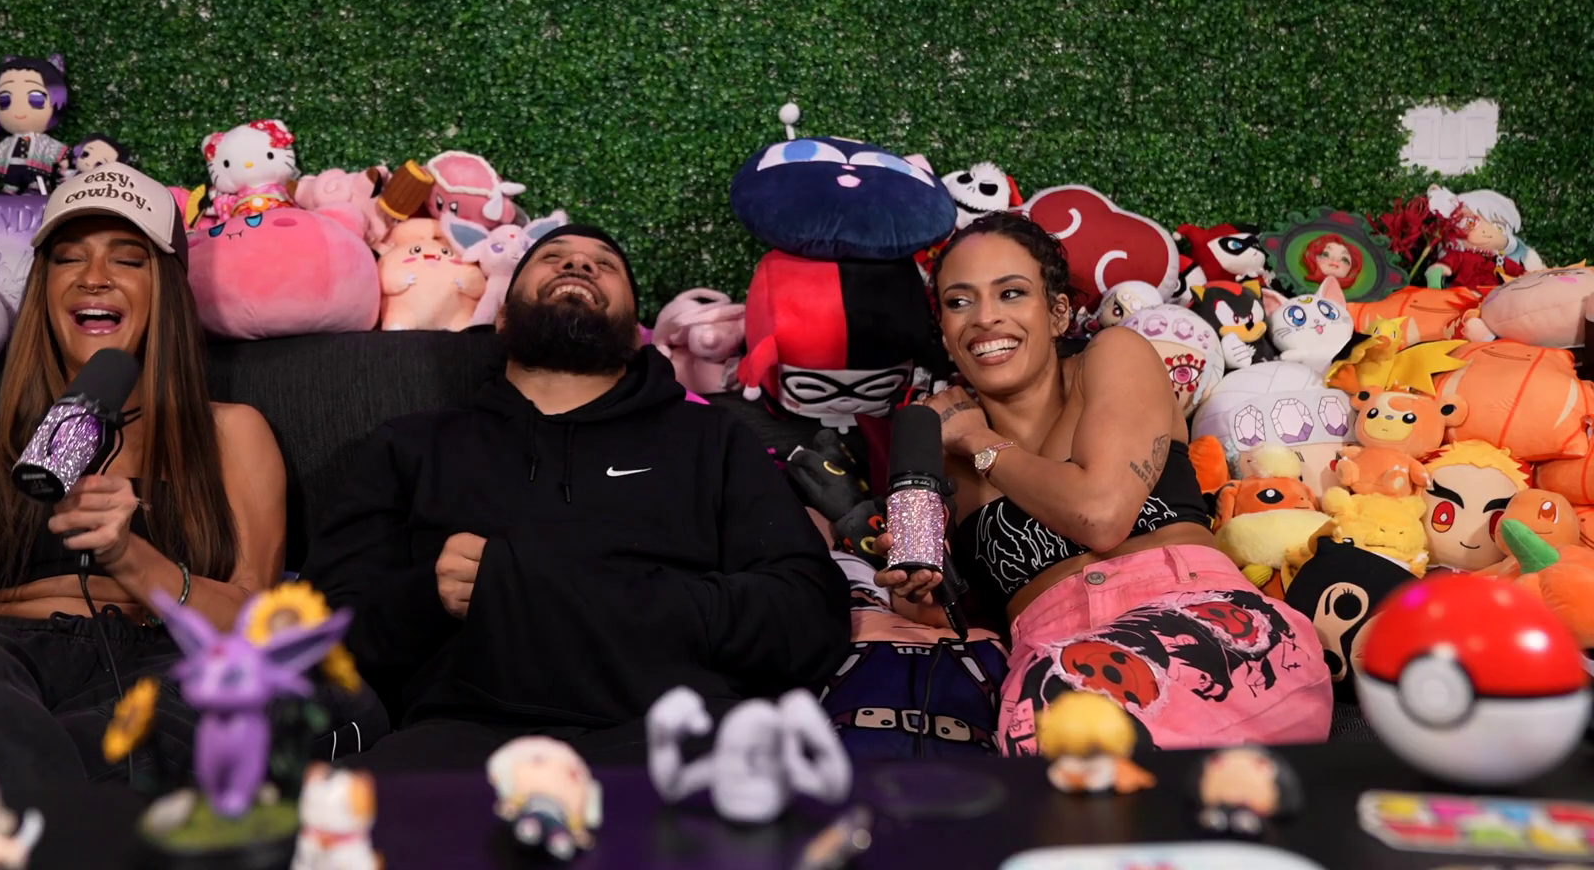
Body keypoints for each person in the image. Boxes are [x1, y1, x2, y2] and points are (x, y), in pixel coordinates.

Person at [0, 164, 350, 799]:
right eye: (68, 258)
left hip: (171, 670)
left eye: (128, 259)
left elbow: (255, 623)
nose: (93, 276)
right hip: (3, 669)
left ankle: (5, 794)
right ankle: (63, 795)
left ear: (168, 290)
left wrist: (130, 556)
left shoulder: (231, 433)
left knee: (290, 686)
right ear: (44, 290)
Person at [302, 224, 849, 769]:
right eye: (553, 257)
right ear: (501, 316)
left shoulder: (713, 439)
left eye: (604, 264)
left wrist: (611, 595)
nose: (579, 264)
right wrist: (428, 596)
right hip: (459, 743)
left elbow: (807, 617)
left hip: (680, 737)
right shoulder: (413, 445)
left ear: (635, 334)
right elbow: (316, 636)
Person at [879, 213, 1331, 755]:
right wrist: (916, 586)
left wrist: (980, 442)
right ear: (945, 331)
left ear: (1057, 312)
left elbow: (1101, 516)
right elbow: (951, 613)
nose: (985, 318)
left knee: (1075, 719)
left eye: (1011, 293)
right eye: (959, 302)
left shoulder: (1114, 357)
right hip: (1055, 668)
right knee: (1052, 728)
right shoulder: (943, 455)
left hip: (1209, 632)